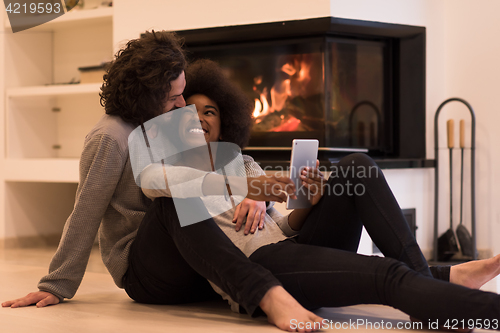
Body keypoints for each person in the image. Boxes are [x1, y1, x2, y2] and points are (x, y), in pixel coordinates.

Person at [1, 31, 323, 332]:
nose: (183, 105)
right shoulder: (110, 138)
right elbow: (85, 212)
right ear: (148, 96)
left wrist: (256, 192)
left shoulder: (166, 120)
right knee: (175, 201)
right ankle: (266, 293)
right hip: (144, 269)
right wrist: (55, 285)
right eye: (174, 97)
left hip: (188, 252)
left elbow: (236, 161)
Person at [174, 59, 500, 330]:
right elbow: (212, 250)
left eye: (210, 112)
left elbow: (286, 226)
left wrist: (311, 200)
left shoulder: (243, 164)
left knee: (356, 165)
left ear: (225, 120)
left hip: (289, 248)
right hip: (260, 268)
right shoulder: (176, 176)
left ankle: (429, 294)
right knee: (385, 274)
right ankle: (440, 295)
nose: (200, 118)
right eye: (191, 111)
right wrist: (256, 192)